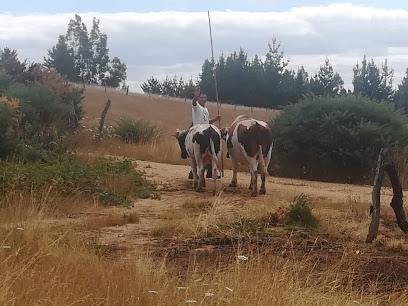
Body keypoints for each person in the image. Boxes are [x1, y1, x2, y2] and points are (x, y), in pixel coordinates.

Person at [188, 88, 221, 179]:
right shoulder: (196, 106)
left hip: (206, 130)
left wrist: (216, 119)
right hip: (197, 130)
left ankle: (211, 170)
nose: (203, 99)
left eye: (205, 98)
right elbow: (194, 102)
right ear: (199, 99)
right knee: (193, 152)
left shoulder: (205, 109)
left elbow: (207, 121)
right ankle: (193, 170)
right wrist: (196, 96)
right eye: (202, 97)